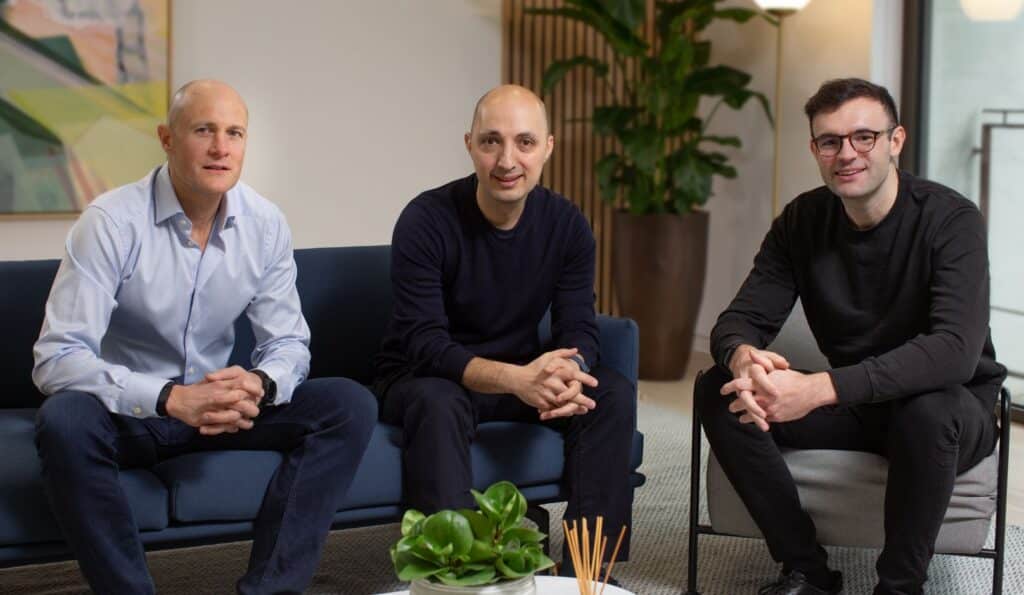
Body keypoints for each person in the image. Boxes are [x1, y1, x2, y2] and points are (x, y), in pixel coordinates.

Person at [32, 80, 377, 595]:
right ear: (167, 139)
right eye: (204, 130)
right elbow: (57, 358)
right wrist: (171, 398)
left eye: (234, 133)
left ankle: (270, 591)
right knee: (64, 419)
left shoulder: (264, 224)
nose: (221, 147)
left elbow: (288, 343)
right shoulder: (110, 223)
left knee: (348, 403)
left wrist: (258, 384)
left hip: (219, 413)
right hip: (131, 415)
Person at [695, 77, 1006, 595]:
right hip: (859, 406)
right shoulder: (802, 220)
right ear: (815, 149)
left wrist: (817, 390)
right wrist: (743, 356)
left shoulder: (952, 220)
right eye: (830, 141)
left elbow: (954, 352)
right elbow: (738, 320)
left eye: (864, 137)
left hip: (949, 409)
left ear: (895, 141)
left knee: (928, 410)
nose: (847, 154)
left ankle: (900, 586)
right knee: (718, 389)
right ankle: (808, 571)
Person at [373, 84, 635, 571]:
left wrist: (569, 370)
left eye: (525, 142)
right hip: (427, 375)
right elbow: (425, 343)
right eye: (491, 141)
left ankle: (588, 570)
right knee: (437, 401)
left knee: (610, 392)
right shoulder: (425, 219)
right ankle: (455, 571)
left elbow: (578, 323)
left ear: (548, 148)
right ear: (469, 144)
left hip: (522, 372)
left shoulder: (567, 224)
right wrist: (520, 379)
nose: (507, 159)